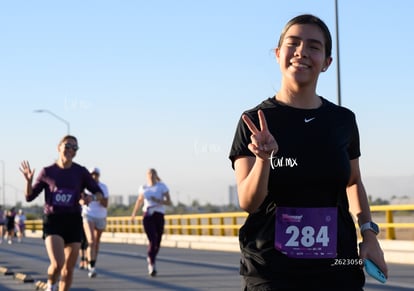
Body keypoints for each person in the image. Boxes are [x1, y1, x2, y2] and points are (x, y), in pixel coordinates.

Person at [228, 14, 388, 290]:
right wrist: (264, 160)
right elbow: (249, 202)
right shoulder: (253, 121)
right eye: (293, 43)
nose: (302, 51)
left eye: (314, 46)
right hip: (272, 269)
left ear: (327, 63)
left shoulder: (343, 120)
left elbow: (353, 181)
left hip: (338, 265)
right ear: (278, 54)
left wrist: (369, 235)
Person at [20, 135, 103, 291]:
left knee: (68, 269)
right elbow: (29, 197)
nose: (71, 150)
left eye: (75, 148)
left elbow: (99, 193)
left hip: (73, 220)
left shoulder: (81, 172)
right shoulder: (47, 172)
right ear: (59, 147)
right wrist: (28, 182)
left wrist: (91, 197)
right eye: (67, 146)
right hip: (53, 220)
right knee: (58, 264)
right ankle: (51, 285)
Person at [131, 168, 172, 277]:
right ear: (146, 176)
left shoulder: (162, 186)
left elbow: (169, 202)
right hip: (147, 215)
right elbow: (139, 201)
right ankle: (151, 263)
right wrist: (134, 213)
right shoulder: (143, 188)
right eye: (149, 174)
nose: (151, 175)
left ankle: (152, 256)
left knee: (158, 241)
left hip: (159, 214)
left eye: (153, 173)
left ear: (156, 175)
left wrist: (158, 200)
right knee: (152, 240)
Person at [81, 167, 109, 278]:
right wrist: (83, 199)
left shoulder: (103, 187)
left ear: (99, 175)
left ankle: (93, 262)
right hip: (88, 215)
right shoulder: (84, 187)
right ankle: (91, 267)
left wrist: (95, 197)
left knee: (96, 243)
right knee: (91, 241)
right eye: (92, 174)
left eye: (96, 174)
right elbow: (81, 200)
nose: (94, 176)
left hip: (101, 216)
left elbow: (106, 204)